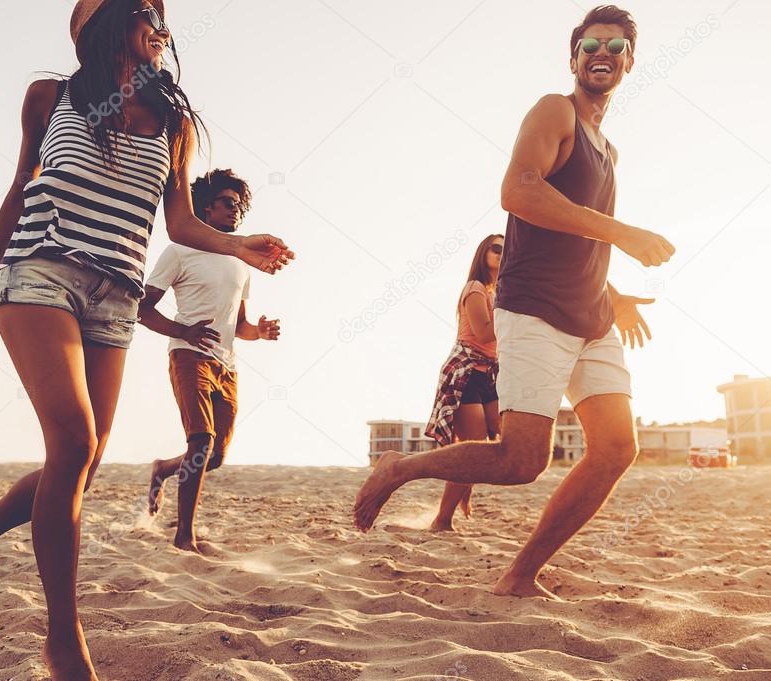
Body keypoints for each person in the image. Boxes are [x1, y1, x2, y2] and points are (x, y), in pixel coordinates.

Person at [0, 2, 293, 679]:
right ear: (106, 23)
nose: (160, 29)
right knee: (72, 442)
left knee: (83, 463)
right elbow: (19, 190)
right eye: (147, 15)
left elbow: (182, 221)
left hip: (117, 295)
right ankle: (63, 640)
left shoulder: (174, 121)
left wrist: (238, 245)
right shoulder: (52, 96)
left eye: (165, 21)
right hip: (38, 270)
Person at [354, 4, 674, 600]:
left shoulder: (610, 150)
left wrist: (615, 291)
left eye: (615, 46)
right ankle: (401, 469)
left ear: (630, 61)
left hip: (592, 313)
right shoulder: (555, 112)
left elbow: (577, 233)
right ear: (573, 56)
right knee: (523, 460)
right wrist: (623, 233)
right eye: (591, 45)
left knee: (615, 448)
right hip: (534, 308)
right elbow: (518, 190)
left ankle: (520, 574)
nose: (602, 54)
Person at [141, 169, 280, 553]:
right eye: (228, 203)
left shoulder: (239, 260)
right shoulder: (179, 251)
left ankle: (163, 469)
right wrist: (182, 331)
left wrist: (260, 331)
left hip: (227, 364)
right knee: (200, 441)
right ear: (205, 206)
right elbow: (143, 308)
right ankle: (185, 535)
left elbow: (240, 326)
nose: (236, 211)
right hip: (188, 355)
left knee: (214, 456)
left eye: (239, 205)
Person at [425, 234, 504, 532]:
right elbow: (484, 334)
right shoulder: (475, 288)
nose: (502, 253)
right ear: (483, 254)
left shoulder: (499, 292)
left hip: (490, 373)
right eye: (496, 249)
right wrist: (510, 309)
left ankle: (465, 485)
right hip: (465, 370)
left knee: (506, 436)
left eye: (507, 249)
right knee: (474, 449)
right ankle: (442, 520)